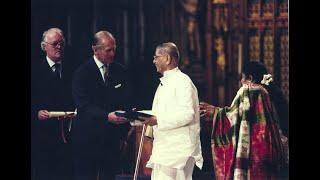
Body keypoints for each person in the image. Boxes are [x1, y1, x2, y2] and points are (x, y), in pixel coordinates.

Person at [199, 61, 288, 179]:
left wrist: (216, 112)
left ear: (250, 78)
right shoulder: (268, 91)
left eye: (242, 77)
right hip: (269, 148)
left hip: (255, 152)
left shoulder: (250, 90)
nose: (241, 81)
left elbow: (238, 117)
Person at [71, 30, 132, 180]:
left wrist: (124, 134)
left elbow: (126, 100)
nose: (112, 53)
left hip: (111, 140)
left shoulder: (120, 71)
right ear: (95, 50)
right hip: (87, 139)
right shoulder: (82, 73)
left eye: (114, 49)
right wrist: (106, 116)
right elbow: (83, 105)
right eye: (108, 50)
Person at [140, 42, 203, 180]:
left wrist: (157, 120)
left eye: (156, 57)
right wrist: (139, 118)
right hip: (165, 149)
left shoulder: (183, 82)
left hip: (177, 152)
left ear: (167, 59)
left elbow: (187, 114)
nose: (154, 61)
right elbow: (161, 112)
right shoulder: (165, 83)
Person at [31, 27, 75, 180]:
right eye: (55, 43)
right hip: (42, 138)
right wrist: (35, 113)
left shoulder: (73, 69)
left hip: (68, 135)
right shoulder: (34, 71)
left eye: (61, 43)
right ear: (44, 46)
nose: (59, 47)